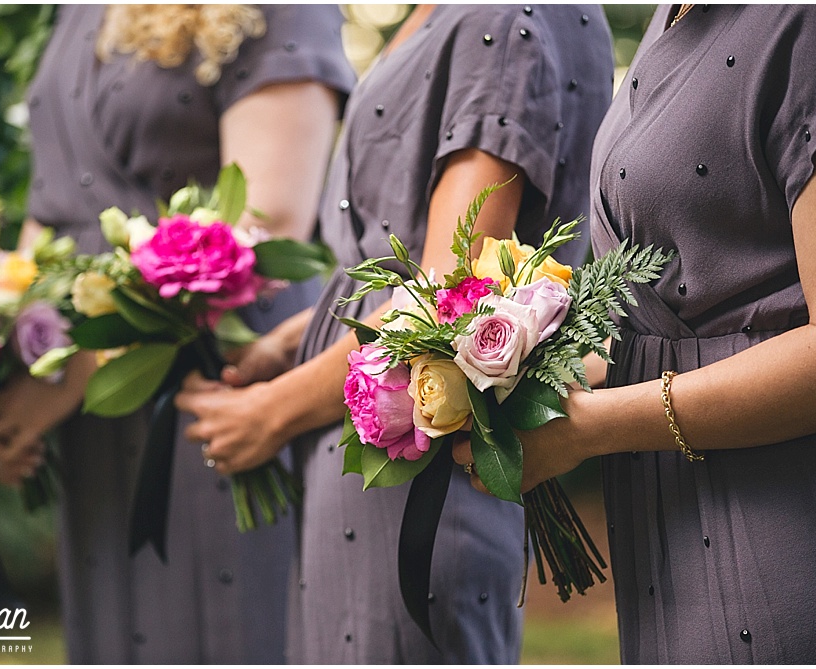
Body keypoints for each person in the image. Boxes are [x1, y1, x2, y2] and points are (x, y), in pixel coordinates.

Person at [175, 5, 614, 662]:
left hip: (415, 480)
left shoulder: (502, 20)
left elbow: (448, 289)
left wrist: (269, 413)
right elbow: (390, 275)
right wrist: (282, 343)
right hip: (366, 471)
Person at [454, 4, 816, 663]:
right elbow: (667, 315)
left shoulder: (814, 20)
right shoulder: (671, 14)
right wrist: (518, 375)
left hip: (778, 516)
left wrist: (588, 428)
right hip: (665, 520)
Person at [0, 5, 354, 663]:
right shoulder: (80, 12)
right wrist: (17, 361)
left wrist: (81, 371)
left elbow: (268, 218)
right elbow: (53, 207)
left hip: (215, 375)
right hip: (95, 418)